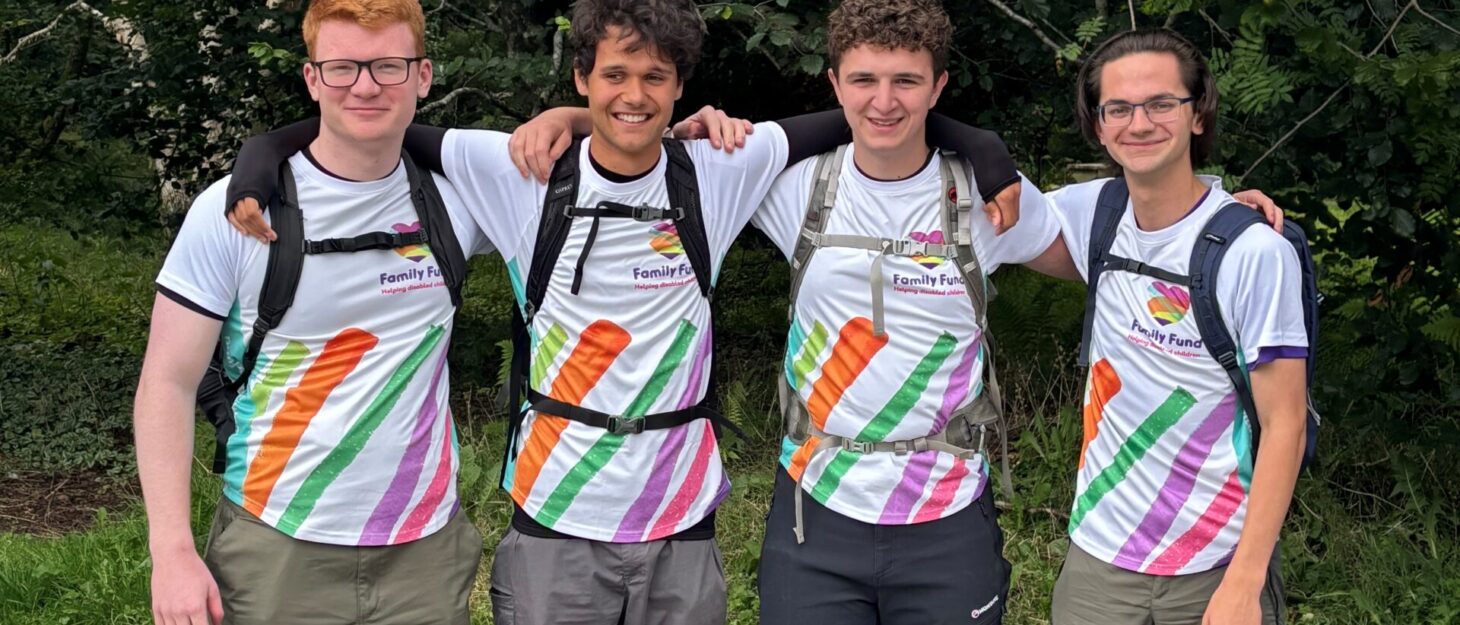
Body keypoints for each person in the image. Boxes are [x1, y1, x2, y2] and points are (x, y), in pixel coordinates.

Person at [219, 1, 1026, 623]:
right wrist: (261, 154)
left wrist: (984, 150)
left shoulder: (718, 169)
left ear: (680, 90)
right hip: (554, 519)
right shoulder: (517, 170)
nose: (632, 95)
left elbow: (876, 119)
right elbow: (374, 122)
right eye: (613, 76)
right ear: (582, 79)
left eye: (653, 79)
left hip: (682, 521)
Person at [133, 1, 489, 624]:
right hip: (275, 541)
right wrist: (172, 552)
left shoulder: (465, 197)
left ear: (424, 76)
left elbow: (603, 150)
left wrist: (690, 131)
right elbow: (166, 381)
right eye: (343, 67)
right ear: (312, 79)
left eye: (389, 66)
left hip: (425, 551)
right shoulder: (236, 212)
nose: (367, 85)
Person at [747, 2, 1071, 622]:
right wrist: (566, 118)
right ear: (835, 83)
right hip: (814, 508)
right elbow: (646, 148)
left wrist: (1223, 216)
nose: (884, 101)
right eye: (864, 80)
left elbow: (1110, 244)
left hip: (946, 516)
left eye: (907, 81)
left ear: (939, 87)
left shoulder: (986, 198)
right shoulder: (792, 187)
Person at [1045, 28, 1308, 625]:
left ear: (1197, 114)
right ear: (1099, 124)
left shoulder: (1253, 252)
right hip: (1098, 564)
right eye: (1119, 108)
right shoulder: (1092, 213)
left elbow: (1285, 421)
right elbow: (982, 202)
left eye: (1162, 103)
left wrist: (1246, 582)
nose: (1139, 124)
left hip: (1216, 564)